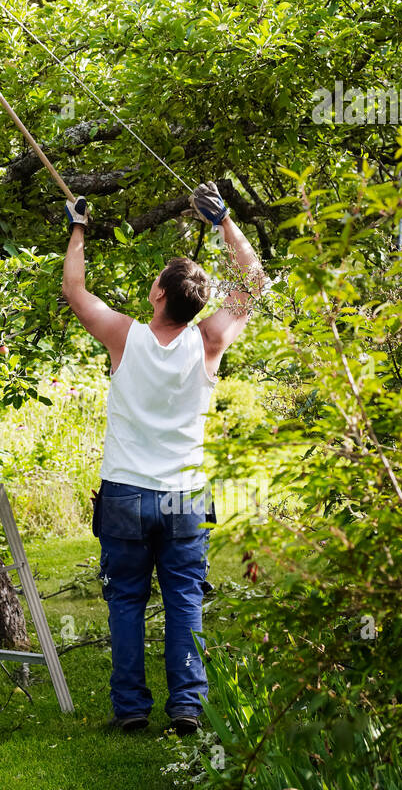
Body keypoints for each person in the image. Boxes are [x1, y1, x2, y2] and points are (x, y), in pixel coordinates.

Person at [61, 181, 268, 734]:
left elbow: (76, 290)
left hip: (126, 492)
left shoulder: (123, 337)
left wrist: (78, 226)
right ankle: (187, 707)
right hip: (184, 495)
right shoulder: (210, 342)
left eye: (155, 282)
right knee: (183, 601)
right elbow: (255, 282)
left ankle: (130, 710)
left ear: (158, 296)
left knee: (125, 602)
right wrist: (224, 221)